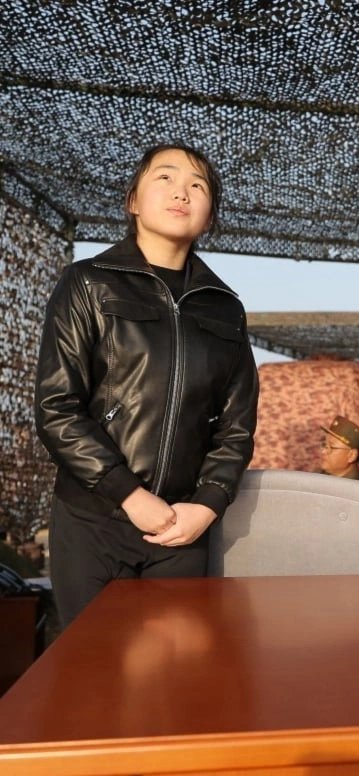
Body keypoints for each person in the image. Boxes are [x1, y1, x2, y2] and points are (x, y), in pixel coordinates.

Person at [34, 144, 259, 626]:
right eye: (165, 178)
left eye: (197, 185)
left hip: (182, 528)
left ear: (209, 217)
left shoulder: (225, 308)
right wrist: (129, 495)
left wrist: (207, 505)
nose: (182, 192)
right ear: (133, 200)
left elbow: (236, 426)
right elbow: (57, 407)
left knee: (172, 664)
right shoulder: (87, 283)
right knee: (93, 661)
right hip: (94, 518)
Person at [319, 415, 359, 481]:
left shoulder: (357, 486)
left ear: (352, 455)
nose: (323, 451)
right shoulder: (319, 477)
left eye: (331, 447)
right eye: (325, 445)